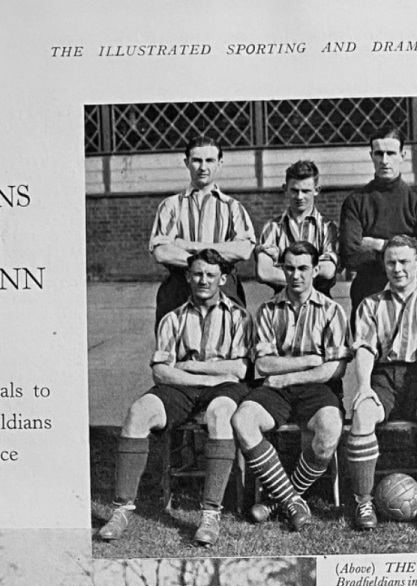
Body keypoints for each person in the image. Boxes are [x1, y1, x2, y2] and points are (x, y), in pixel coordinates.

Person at [97, 248, 251, 548]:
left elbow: (240, 369)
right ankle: (121, 509)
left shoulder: (239, 318)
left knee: (220, 414)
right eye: (197, 274)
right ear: (187, 276)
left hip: (223, 390)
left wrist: (189, 366)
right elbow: (161, 372)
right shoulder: (172, 319)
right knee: (138, 411)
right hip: (183, 389)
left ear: (223, 279)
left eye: (210, 275)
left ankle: (210, 515)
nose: (203, 280)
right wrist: (207, 375)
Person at [232, 238, 349, 533]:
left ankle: (276, 501)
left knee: (330, 429)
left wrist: (290, 375)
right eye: (290, 268)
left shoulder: (332, 310)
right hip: (274, 389)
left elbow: (335, 368)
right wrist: (311, 360)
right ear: (282, 270)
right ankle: (292, 501)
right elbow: (264, 365)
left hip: (317, 388)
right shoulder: (267, 310)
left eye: (303, 268)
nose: (296, 275)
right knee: (243, 419)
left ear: (315, 271)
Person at [345, 235, 417, 531]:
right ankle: (363, 500)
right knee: (363, 413)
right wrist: (364, 386)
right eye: (391, 262)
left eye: (404, 262)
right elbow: (365, 349)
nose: (397, 269)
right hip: (383, 377)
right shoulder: (370, 304)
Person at [148, 135, 255, 330]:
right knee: (172, 342)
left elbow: (244, 250)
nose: (203, 167)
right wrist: (216, 254)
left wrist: (189, 245)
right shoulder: (171, 206)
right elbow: (161, 251)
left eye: (210, 160)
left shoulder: (232, 207)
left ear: (219, 163)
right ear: (186, 162)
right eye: (197, 160)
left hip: (222, 283)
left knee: (231, 340)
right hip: (180, 285)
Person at [338, 126, 417, 323]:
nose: (384, 160)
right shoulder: (356, 201)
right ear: (371, 156)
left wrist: (379, 245)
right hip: (368, 293)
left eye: (391, 153)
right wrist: (407, 250)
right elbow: (350, 255)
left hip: (412, 295)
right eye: (379, 153)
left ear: (402, 155)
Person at [255, 160, 339, 295]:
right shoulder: (272, 228)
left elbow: (328, 270)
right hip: (282, 301)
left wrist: (283, 270)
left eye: (305, 191)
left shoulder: (328, 227)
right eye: (295, 191)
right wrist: (309, 272)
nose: (300, 197)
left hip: (320, 300)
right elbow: (264, 272)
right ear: (285, 189)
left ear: (317, 190)